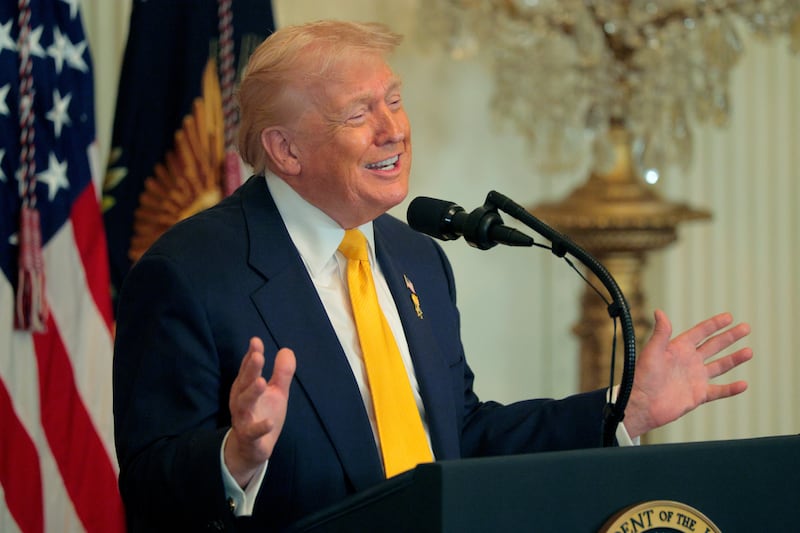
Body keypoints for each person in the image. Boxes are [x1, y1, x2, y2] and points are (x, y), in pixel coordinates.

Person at [112, 20, 753, 532]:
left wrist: (621, 411)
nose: (394, 128)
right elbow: (147, 488)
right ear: (286, 150)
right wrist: (235, 458)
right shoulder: (187, 275)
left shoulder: (418, 256)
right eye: (359, 114)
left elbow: (457, 438)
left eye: (394, 100)